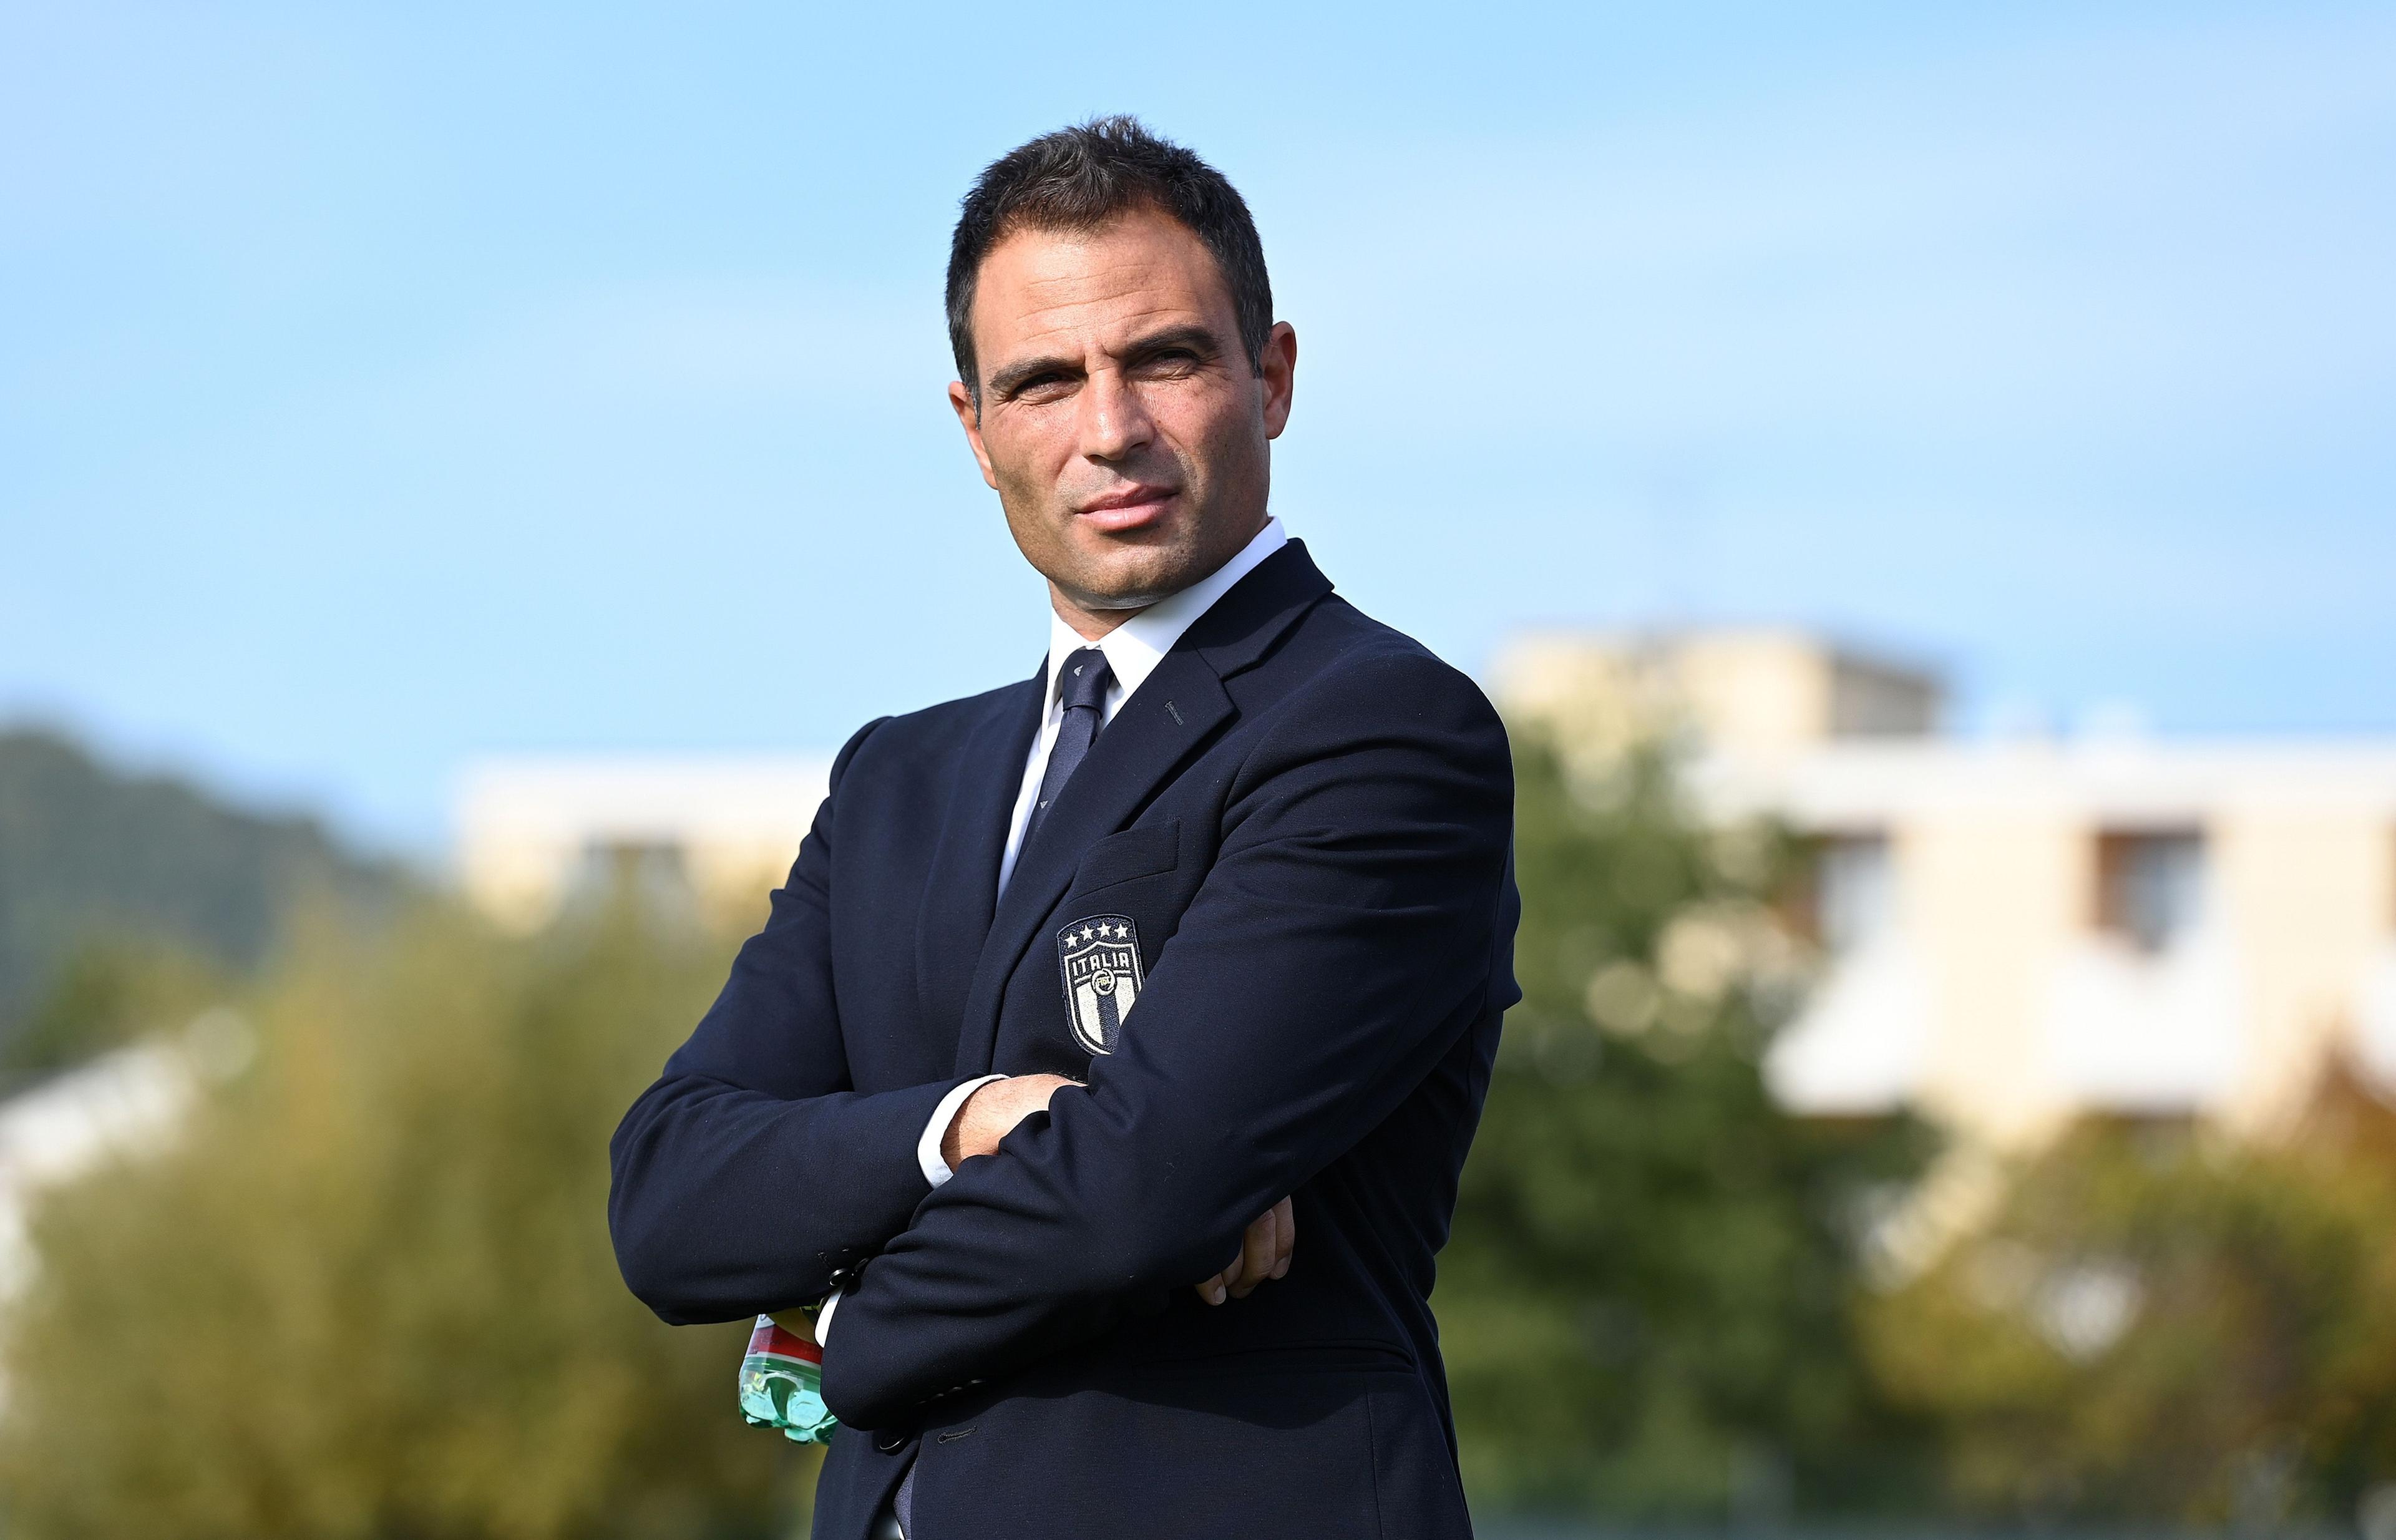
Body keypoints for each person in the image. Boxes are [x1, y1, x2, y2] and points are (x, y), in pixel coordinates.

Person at [608, 116, 1519, 1540]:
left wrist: (830, 1326)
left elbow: (1137, 1192)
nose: (1110, 431)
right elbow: (669, 1198)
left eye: (1164, 358)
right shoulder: (898, 779)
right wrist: (969, 1124)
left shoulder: (1380, 729)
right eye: (1044, 380)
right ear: (975, 432)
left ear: (1269, 377)